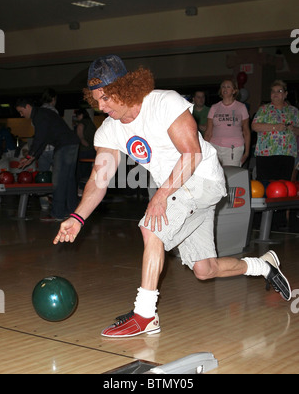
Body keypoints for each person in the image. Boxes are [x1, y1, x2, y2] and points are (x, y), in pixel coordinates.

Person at [53, 55, 291, 338]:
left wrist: (161, 195)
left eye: (105, 98)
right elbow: (98, 179)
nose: (100, 106)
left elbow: (192, 154)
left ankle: (145, 314)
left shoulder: (164, 103)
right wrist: (78, 217)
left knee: (151, 227)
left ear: (125, 87)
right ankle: (263, 266)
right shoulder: (110, 130)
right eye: (96, 100)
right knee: (205, 269)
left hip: (202, 179)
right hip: (182, 192)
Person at [15, 98, 80, 221]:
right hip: (70, 143)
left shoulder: (39, 116)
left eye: (21, 111)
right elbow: (43, 140)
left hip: (65, 145)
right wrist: (31, 158)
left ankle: (57, 214)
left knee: (59, 180)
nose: (21, 115)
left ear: (27, 106)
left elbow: (40, 138)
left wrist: (30, 156)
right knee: (68, 180)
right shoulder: (42, 114)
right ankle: (72, 212)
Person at [252, 80, 299, 181]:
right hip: (266, 153)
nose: (275, 94)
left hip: (287, 153)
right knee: (265, 186)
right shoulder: (264, 109)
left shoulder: (294, 111)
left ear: (285, 94)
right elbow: (255, 126)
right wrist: (275, 127)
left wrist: (294, 129)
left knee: (284, 185)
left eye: (279, 91)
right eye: (273, 91)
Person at [204, 79, 251, 167]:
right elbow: (208, 131)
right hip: (215, 146)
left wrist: (247, 152)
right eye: (223, 87)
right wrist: (204, 149)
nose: (225, 88)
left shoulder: (241, 107)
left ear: (234, 91)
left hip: (234, 148)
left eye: (228, 87)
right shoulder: (214, 107)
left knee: (231, 175)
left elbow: (246, 131)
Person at [74, 108, 97, 194]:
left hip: (84, 150)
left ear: (81, 115)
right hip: (92, 150)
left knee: (81, 172)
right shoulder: (91, 123)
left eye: (77, 116)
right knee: (88, 172)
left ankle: (80, 190)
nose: (77, 118)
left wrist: (83, 142)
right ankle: (85, 190)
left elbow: (80, 135)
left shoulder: (82, 123)